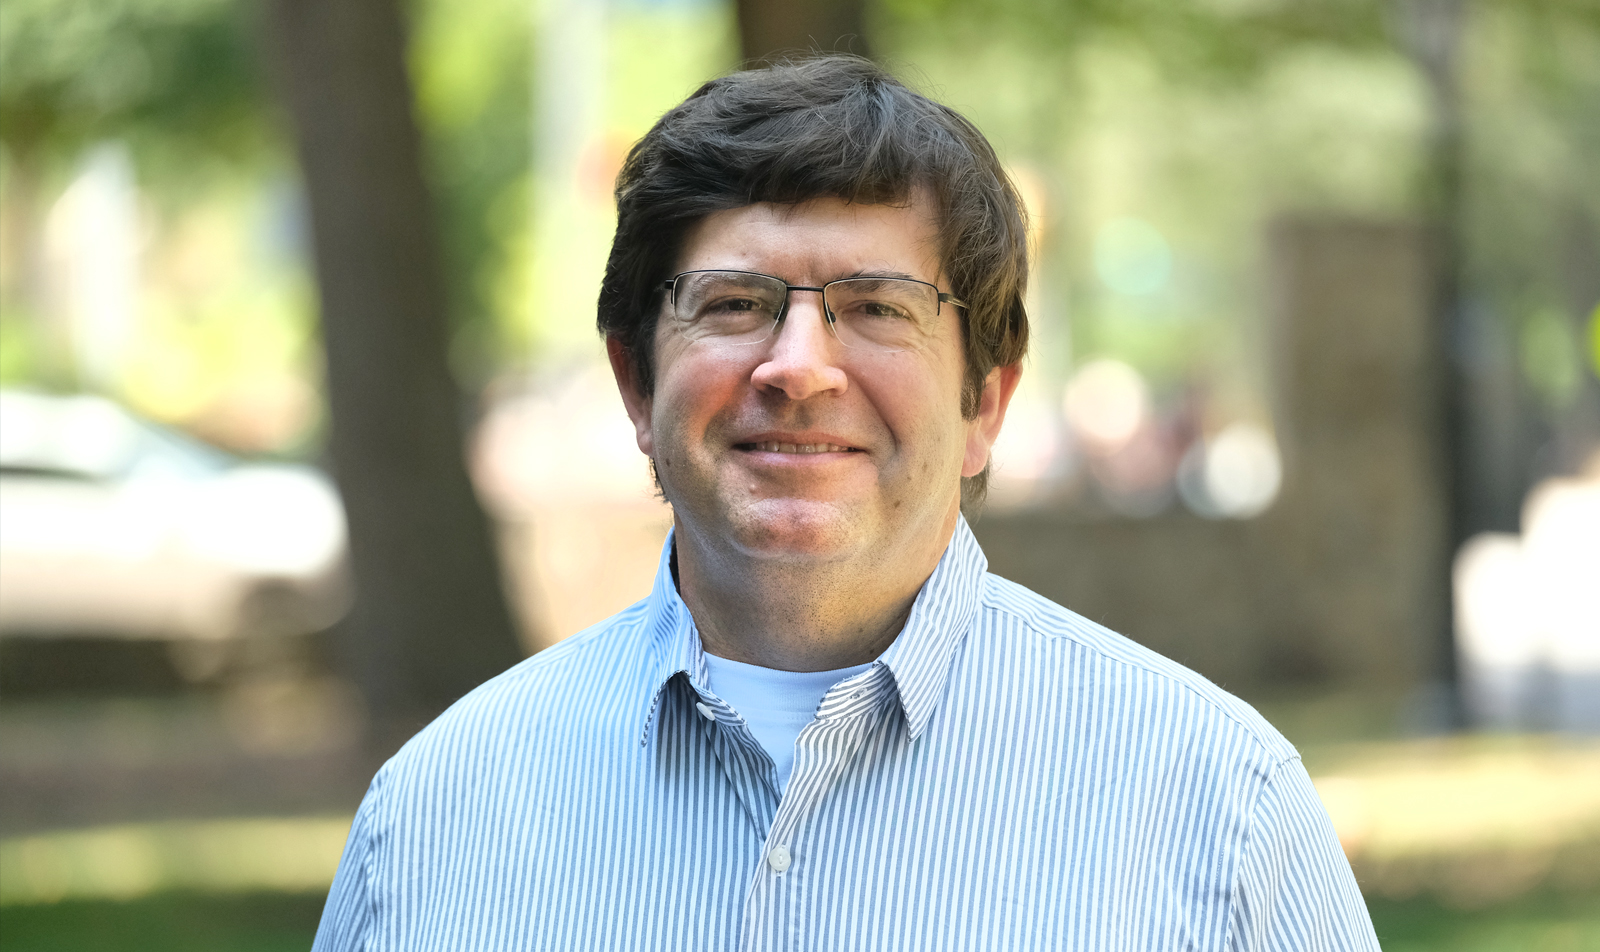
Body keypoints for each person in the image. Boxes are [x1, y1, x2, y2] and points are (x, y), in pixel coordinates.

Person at [313, 56, 1378, 951]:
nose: (798, 366)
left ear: (984, 404)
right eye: (735, 304)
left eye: (876, 306)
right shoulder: (432, 823)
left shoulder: (1217, 811)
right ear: (638, 384)